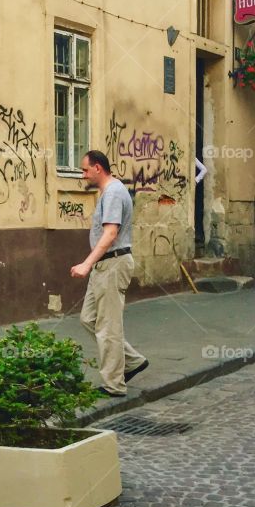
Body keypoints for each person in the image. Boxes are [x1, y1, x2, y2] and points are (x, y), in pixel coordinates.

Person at [70, 149, 149, 397]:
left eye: (84, 170)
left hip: (112, 264)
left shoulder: (114, 192)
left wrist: (86, 263)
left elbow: (110, 234)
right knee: (89, 319)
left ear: (98, 168)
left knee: (108, 326)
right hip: (104, 265)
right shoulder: (109, 191)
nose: (83, 175)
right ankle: (132, 361)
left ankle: (114, 384)